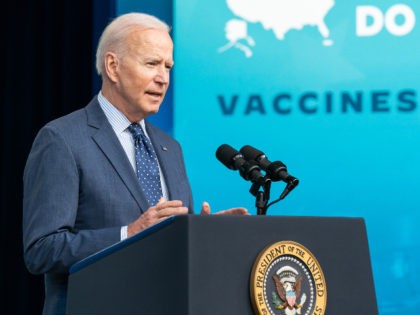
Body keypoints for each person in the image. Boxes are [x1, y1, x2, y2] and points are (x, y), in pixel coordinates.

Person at [23, 12, 247, 315]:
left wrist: (201, 233)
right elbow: (42, 250)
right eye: (152, 64)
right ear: (113, 66)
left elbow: (171, 241)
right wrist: (127, 234)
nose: (163, 78)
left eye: (168, 66)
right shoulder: (61, 139)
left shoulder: (171, 147)